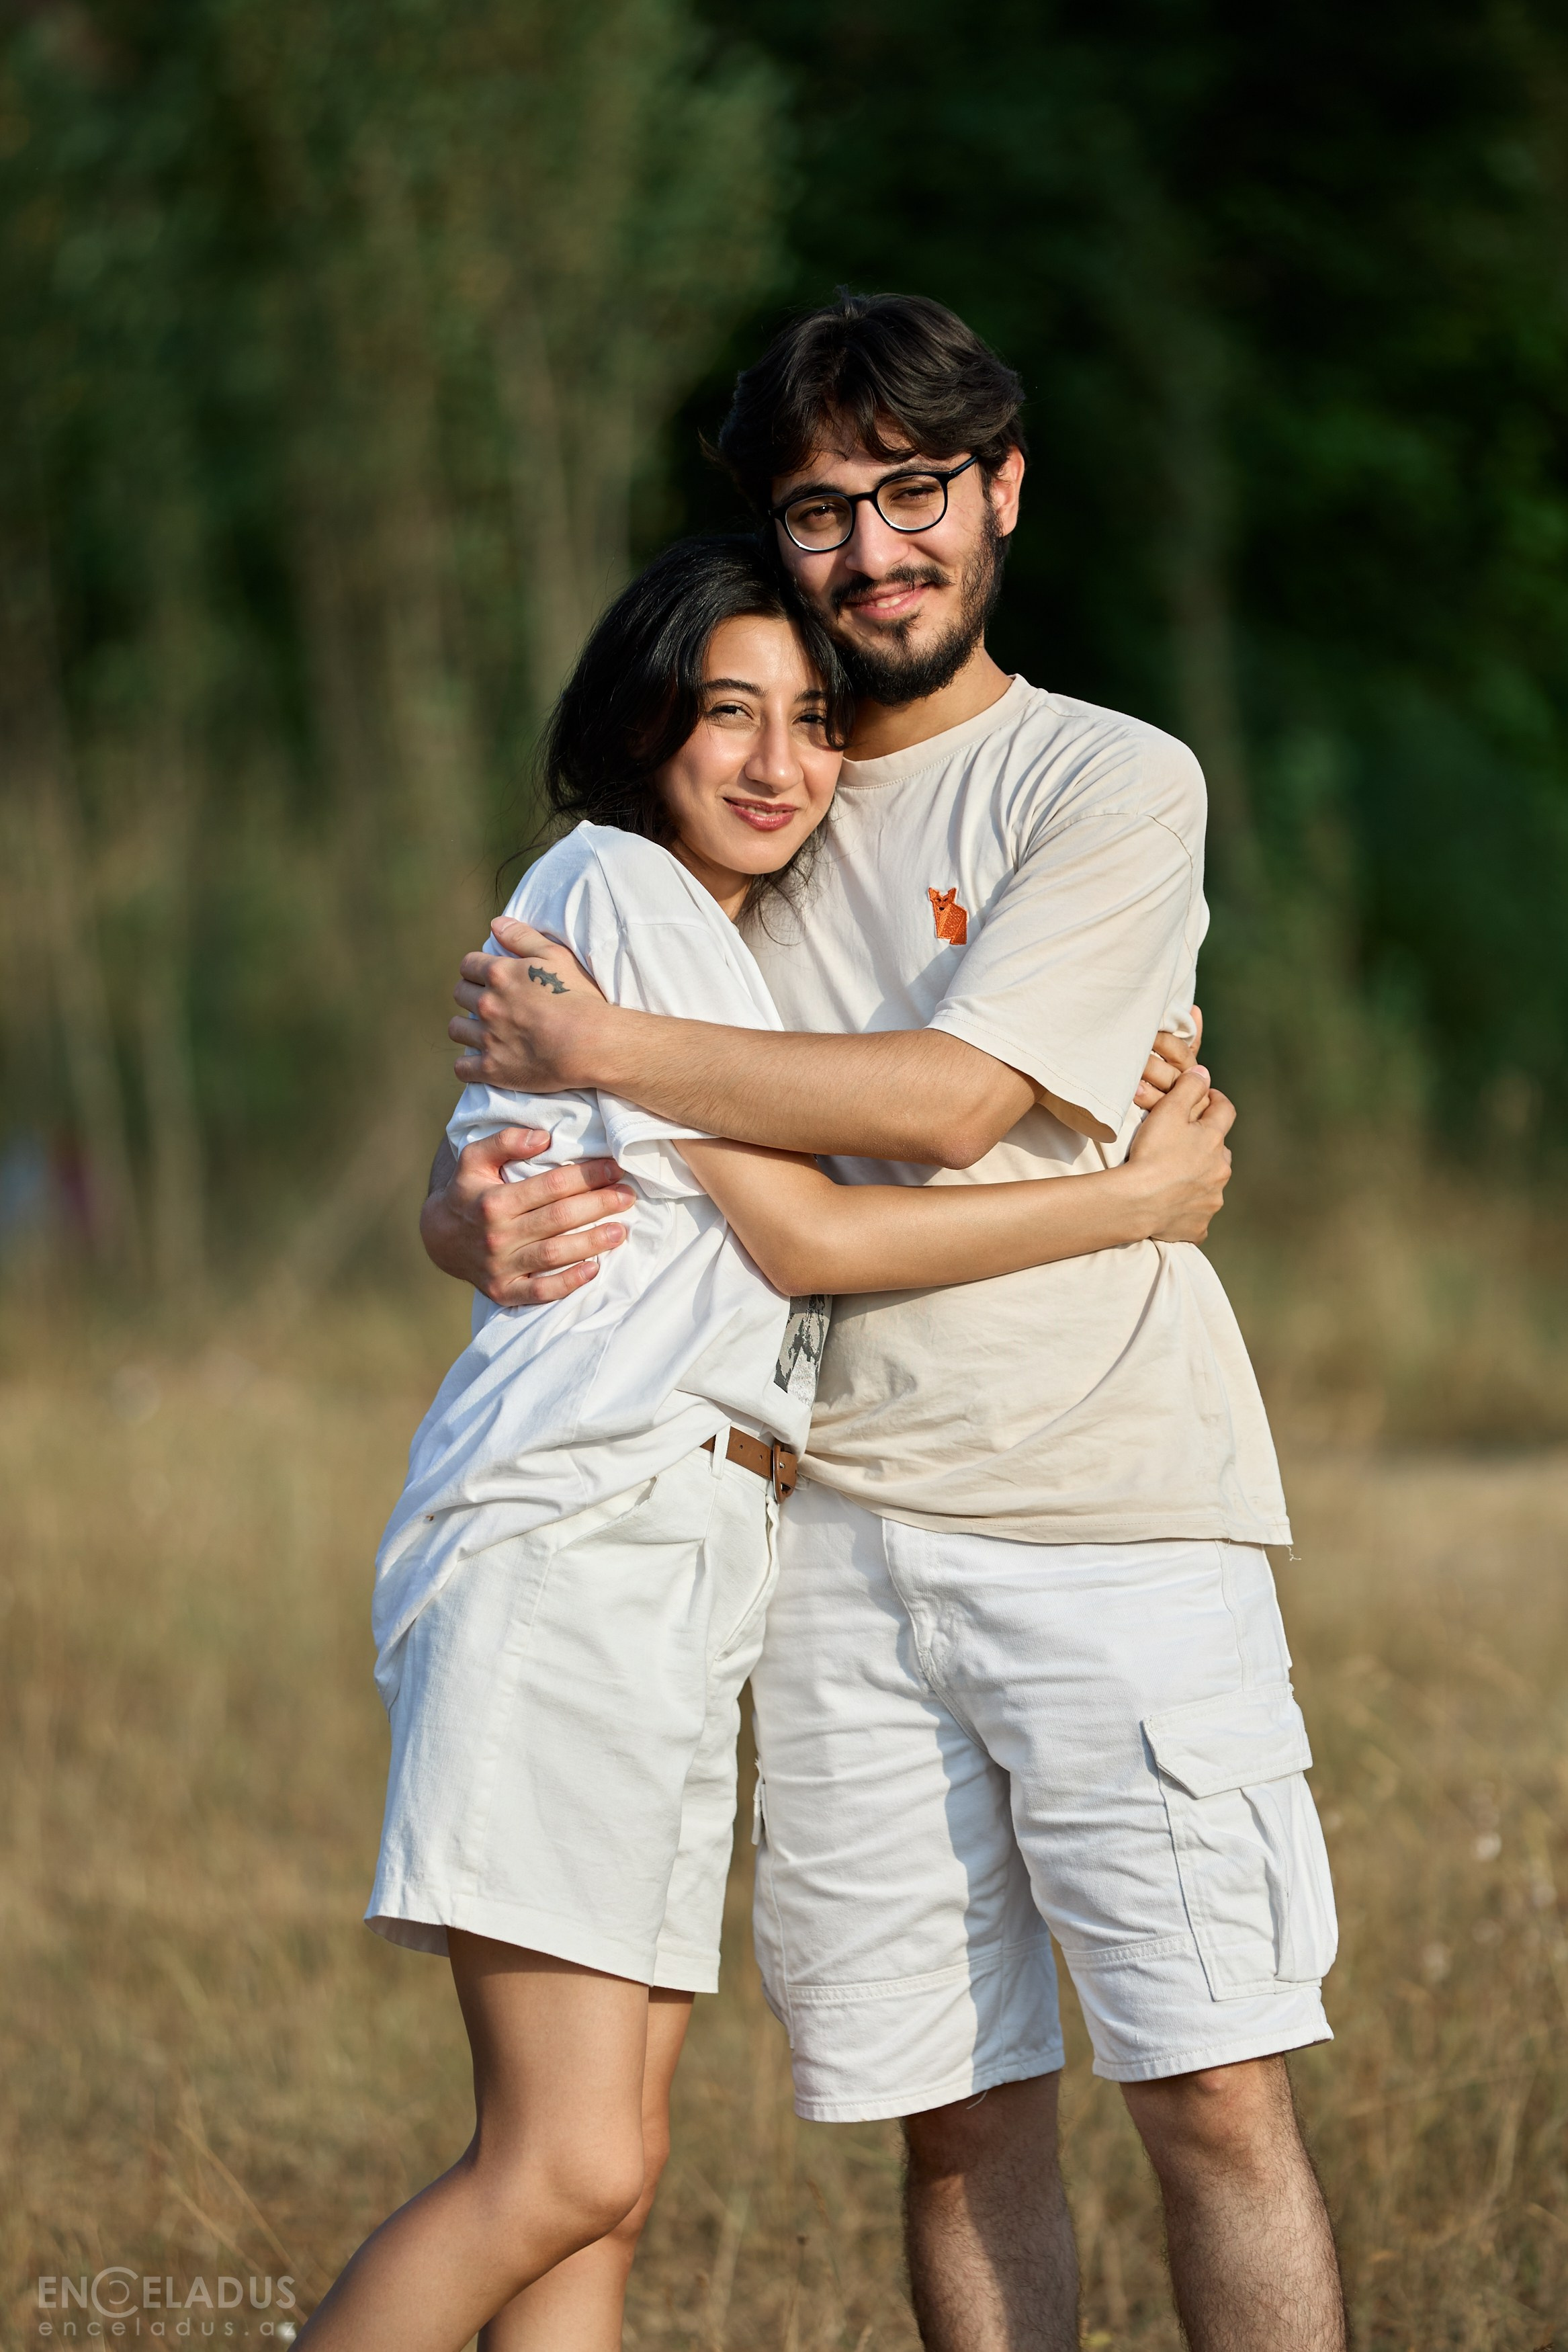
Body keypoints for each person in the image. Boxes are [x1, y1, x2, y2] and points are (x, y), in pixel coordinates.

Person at [423, 293, 1346, 2352]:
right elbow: (528, 1100)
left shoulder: (1105, 778)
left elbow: (947, 1103)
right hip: (823, 1548)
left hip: (1110, 1509)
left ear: (1001, 490)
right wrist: (464, 1213)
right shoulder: (744, 807)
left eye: (915, 489)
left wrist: (618, 1044)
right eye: (821, 508)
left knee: (1210, 2090)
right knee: (953, 2127)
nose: (873, 549)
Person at [298, 533, 1234, 2352]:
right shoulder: (625, 896)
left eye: (813, 721)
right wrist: (1130, 1202)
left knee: (602, 2189)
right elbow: (812, 1232)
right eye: (727, 713)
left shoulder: (708, 949)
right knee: (559, 2169)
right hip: (580, 1535)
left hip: (685, 1558)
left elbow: (817, 1142)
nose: (776, 761)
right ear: (641, 722)